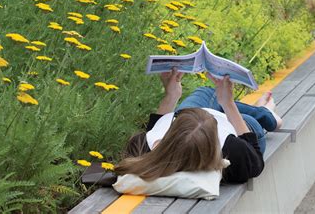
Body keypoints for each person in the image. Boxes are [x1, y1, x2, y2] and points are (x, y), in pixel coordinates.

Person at [115, 68, 282, 183]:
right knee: (246, 114)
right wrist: (228, 103)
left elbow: (156, 128)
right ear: (213, 144)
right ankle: (269, 113)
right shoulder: (234, 150)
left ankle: (219, 104)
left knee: (206, 93)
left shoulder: (144, 145)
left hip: (195, 121)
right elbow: (255, 157)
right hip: (241, 127)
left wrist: (171, 96)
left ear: (173, 130)